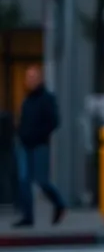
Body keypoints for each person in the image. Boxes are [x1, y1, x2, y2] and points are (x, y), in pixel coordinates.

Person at [13, 65, 66, 228]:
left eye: (34, 77)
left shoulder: (47, 98)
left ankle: (59, 204)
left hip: (40, 145)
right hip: (24, 145)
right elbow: (23, 120)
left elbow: (54, 121)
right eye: (28, 77)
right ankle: (27, 217)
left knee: (42, 181)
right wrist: (20, 133)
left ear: (40, 79)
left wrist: (40, 135)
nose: (30, 80)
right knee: (24, 180)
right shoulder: (27, 100)